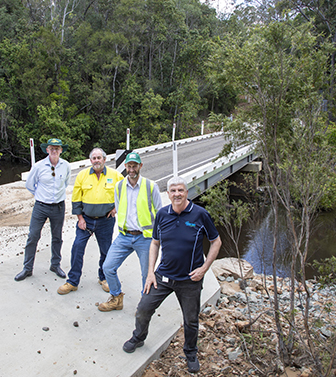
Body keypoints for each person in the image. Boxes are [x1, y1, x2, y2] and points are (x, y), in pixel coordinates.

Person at [122, 176, 222, 374]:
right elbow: (155, 243)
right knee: (143, 308)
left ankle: (190, 352)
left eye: (181, 190)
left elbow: (216, 241)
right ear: (168, 194)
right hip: (163, 277)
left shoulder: (200, 214)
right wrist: (151, 272)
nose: (177, 194)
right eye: (173, 191)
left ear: (186, 192)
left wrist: (204, 269)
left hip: (190, 280)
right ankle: (138, 337)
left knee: (191, 319)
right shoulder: (162, 214)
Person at [98, 152, 162, 312]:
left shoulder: (151, 186)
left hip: (145, 238)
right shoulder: (119, 187)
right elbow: (119, 209)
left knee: (146, 274)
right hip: (124, 236)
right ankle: (116, 297)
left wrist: (160, 238)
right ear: (125, 167)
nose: (132, 169)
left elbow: (160, 214)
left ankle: (144, 306)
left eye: (135, 165)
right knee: (108, 267)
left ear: (140, 166)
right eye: (129, 166)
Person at [57, 148, 124, 295]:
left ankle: (104, 278)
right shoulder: (82, 175)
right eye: (94, 158)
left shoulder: (116, 175)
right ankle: (72, 281)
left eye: (99, 158)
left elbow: (124, 193)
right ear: (90, 160)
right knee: (77, 248)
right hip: (86, 220)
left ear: (104, 160)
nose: (96, 161)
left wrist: (116, 208)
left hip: (105, 221)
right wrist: (80, 218)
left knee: (106, 250)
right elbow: (76, 199)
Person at [15, 138, 71, 281]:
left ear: (61, 150)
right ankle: (27, 268)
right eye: (51, 148)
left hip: (58, 206)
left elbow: (65, 183)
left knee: (57, 237)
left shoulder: (66, 166)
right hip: (41, 207)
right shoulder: (39, 166)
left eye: (57, 148)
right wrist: (40, 195)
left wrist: (56, 196)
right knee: (33, 236)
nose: (54, 151)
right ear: (47, 150)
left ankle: (55, 265)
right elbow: (30, 185)